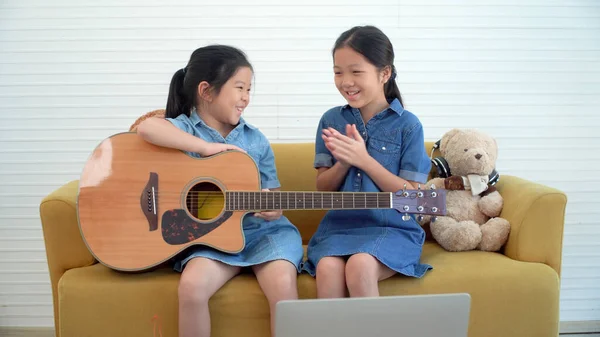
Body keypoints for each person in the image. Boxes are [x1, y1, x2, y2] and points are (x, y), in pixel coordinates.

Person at [136, 45, 304, 337]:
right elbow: (146, 128)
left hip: (263, 234)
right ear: (206, 91)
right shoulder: (185, 130)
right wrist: (205, 148)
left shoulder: (256, 140)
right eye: (239, 87)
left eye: (249, 89)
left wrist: (272, 206)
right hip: (211, 239)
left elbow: (273, 197)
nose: (245, 98)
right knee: (192, 288)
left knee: (283, 289)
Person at [303, 25, 433, 298]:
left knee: (360, 265)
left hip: (392, 228)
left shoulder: (408, 125)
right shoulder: (331, 120)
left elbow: (413, 197)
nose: (345, 81)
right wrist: (344, 163)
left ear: (384, 73)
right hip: (341, 228)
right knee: (327, 268)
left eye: (356, 71)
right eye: (338, 72)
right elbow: (323, 188)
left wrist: (364, 160)